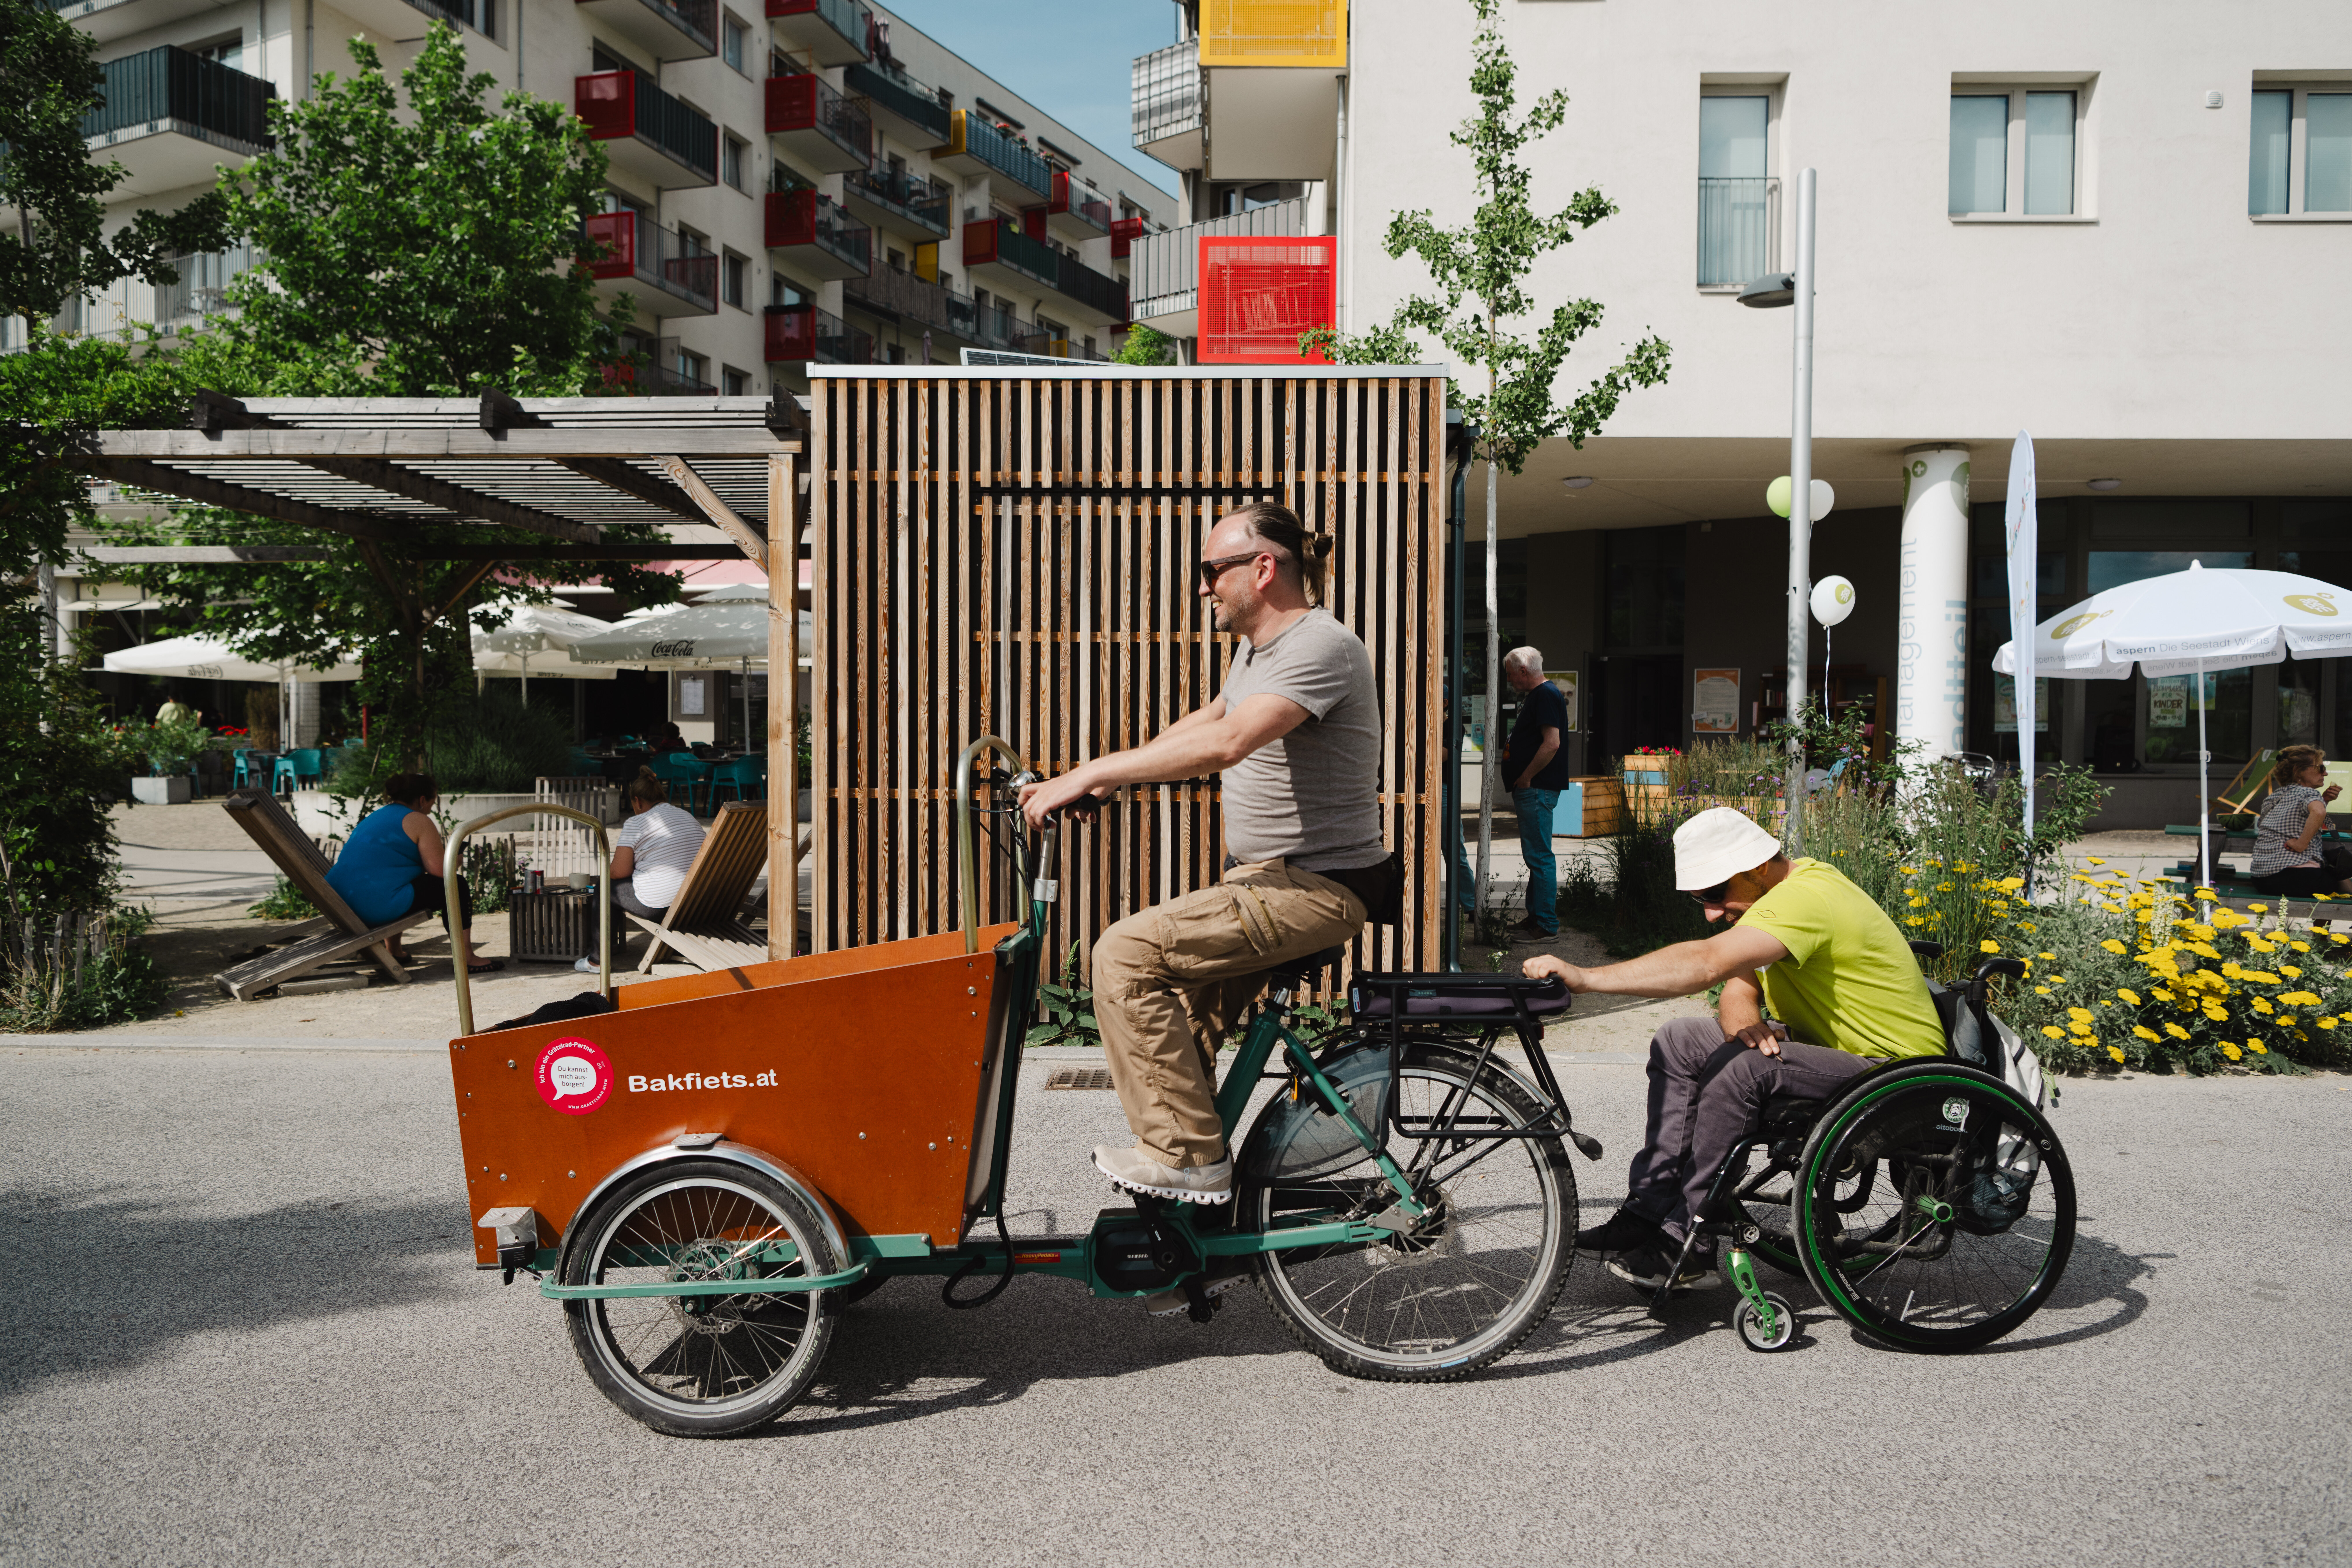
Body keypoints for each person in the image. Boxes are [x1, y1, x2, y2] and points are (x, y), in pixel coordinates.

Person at [1021, 501, 1390, 1221]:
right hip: (1268, 881)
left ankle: (1190, 1160)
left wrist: (1093, 771)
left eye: (1210, 570)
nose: (1201, 587)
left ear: (1263, 568)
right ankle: (1190, 1227)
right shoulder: (1259, 650)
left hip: (1314, 886)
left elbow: (1230, 743)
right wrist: (1099, 779)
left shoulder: (1322, 645)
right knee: (1180, 1029)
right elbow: (1210, 718)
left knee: (1123, 955)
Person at [1521, 806, 1945, 1292]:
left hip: (1896, 1071)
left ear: (1758, 866)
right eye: (1698, 898)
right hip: (1834, 1052)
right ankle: (1650, 1209)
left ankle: (1688, 1239)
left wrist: (1585, 978)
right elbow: (1735, 982)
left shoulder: (1804, 898)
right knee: (1679, 1039)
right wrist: (1742, 1013)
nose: (1709, 912)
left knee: (1745, 1069)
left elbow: (1707, 963)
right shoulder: (1778, 896)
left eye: (1715, 893)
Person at [326, 773, 501, 974]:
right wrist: (456, 858)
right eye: (432, 804)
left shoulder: (377, 816)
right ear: (422, 800)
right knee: (456, 885)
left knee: (405, 884)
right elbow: (440, 871)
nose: (431, 810)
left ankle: (394, 950)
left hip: (342, 903)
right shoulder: (418, 820)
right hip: (373, 907)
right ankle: (467, 958)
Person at [577, 766, 707, 972]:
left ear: (637, 801)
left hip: (663, 906)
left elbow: (618, 872)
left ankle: (597, 960)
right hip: (698, 902)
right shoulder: (687, 817)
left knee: (605, 886)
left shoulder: (636, 823)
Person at [1501, 648, 1569, 940]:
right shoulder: (1540, 695)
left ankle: (1545, 924)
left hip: (1537, 788)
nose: (1509, 680)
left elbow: (1552, 743)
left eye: (1510, 674)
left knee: (1539, 856)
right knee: (1536, 856)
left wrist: (1527, 776)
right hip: (1534, 788)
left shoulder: (1545, 695)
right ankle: (1536, 918)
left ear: (1523, 671)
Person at [2250, 744, 2351, 896]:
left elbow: (2296, 816)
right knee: (2339, 874)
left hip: (2262, 881)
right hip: (2299, 879)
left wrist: (2324, 800)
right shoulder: (2309, 794)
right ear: (2298, 771)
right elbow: (2318, 812)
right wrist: (2301, 844)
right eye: (2321, 768)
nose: (2326, 773)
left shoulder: (2273, 798)